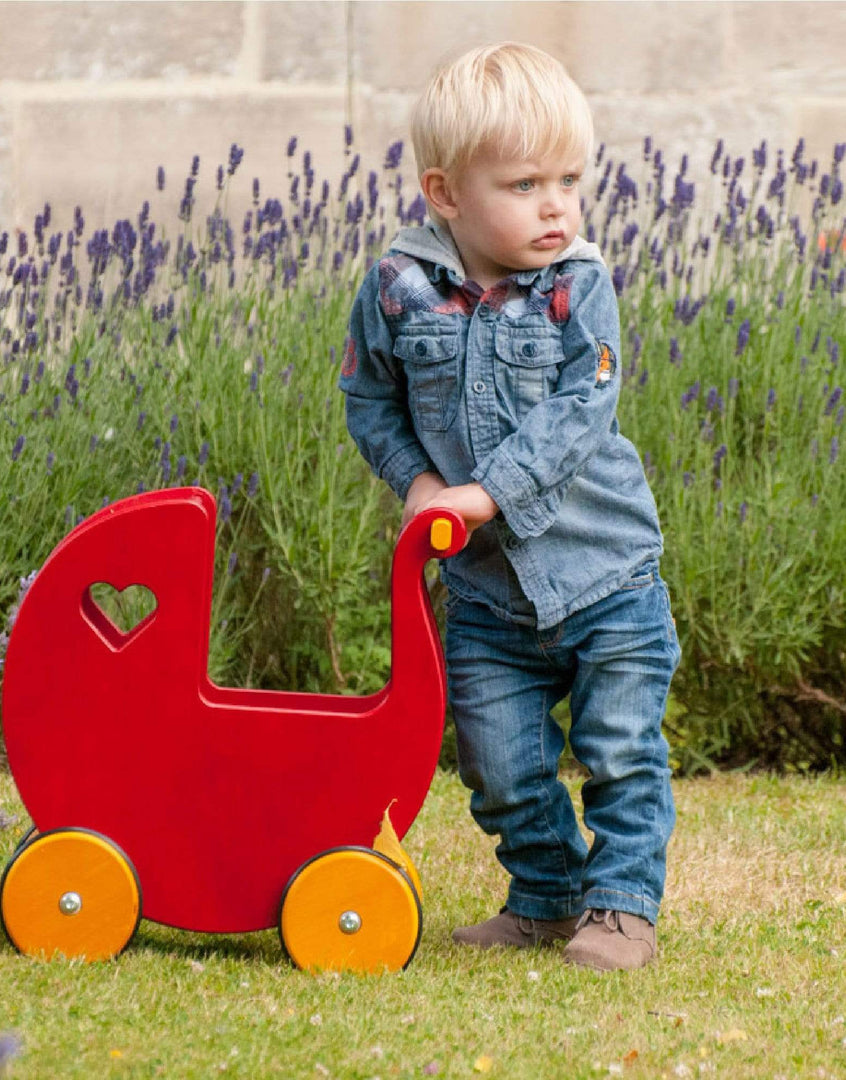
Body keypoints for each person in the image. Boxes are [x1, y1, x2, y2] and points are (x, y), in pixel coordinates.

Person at [339, 42, 680, 971]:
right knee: (499, 766)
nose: (556, 204)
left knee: (618, 749)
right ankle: (545, 895)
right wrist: (418, 482)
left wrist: (487, 492)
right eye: (525, 182)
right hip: (489, 594)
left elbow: (583, 411)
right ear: (445, 193)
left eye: (569, 178)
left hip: (604, 572)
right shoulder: (397, 290)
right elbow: (368, 398)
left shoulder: (578, 285)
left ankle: (620, 909)